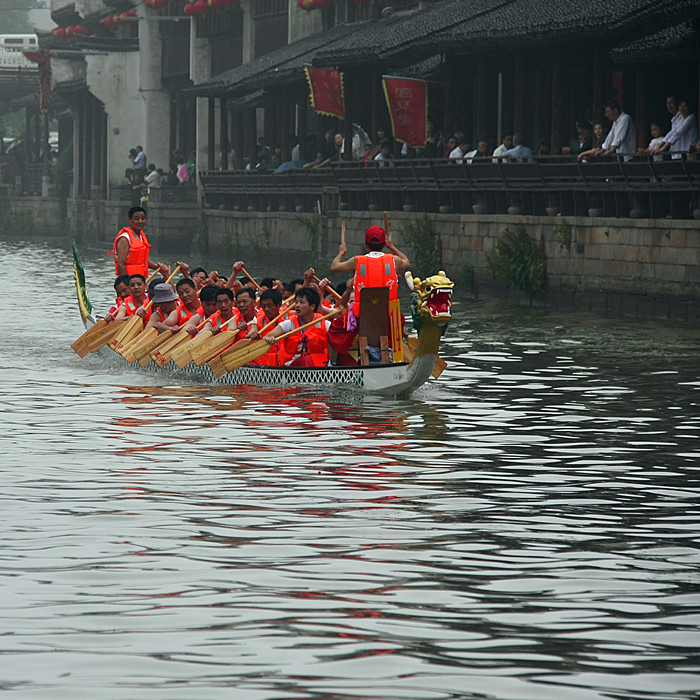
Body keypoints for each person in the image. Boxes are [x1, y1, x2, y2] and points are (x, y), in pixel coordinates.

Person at [264, 287, 333, 367]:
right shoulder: (289, 324)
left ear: (312, 306)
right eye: (296, 302)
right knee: (305, 361)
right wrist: (269, 338)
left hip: (318, 368)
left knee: (307, 360)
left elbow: (337, 340)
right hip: (292, 368)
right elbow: (267, 336)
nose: (297, 305)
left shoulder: (325, 324)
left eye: (301, 302)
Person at [108, 206, 168, 278]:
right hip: (130, 282)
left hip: (141, 281)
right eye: (136, 219)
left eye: (143, 219)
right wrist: (128, 284)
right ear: (129, 220)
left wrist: (158, 267)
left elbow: (142, 260)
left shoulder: (141, 236)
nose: (140, 221)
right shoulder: (125, 239)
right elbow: (120, 265)